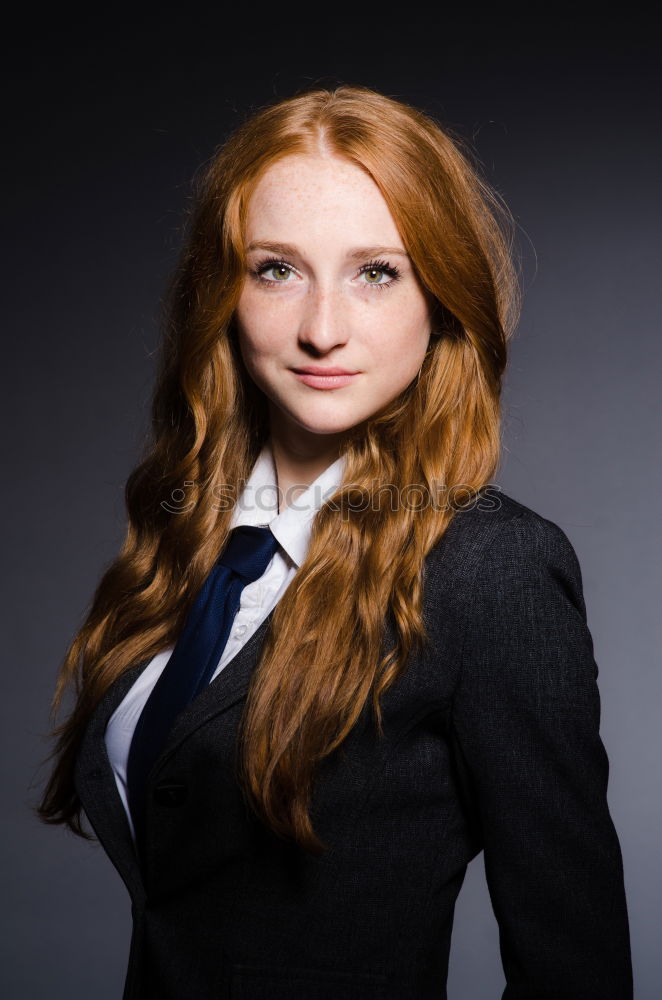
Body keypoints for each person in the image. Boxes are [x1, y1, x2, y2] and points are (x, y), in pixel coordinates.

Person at [36, 84, 633, 999]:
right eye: (276, 268)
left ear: (443, 296)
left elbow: (574, 967)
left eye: (376, 272)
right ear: (223, 291)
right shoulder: (188, 531)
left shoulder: (491, 567)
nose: (321, 328)